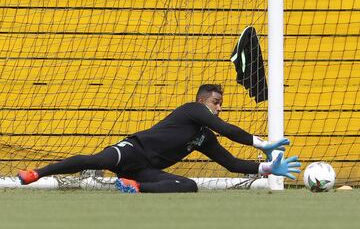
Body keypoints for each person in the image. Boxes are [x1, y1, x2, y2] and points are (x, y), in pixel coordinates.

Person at [18, 84, 300, 193]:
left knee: (188, 186)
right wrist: (262, 144)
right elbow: (227, 129)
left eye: (220, 104)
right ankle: (36, 173)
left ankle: (134, 186)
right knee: (95, 159)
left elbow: (232, 164)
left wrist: (268, 168)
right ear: (202, 101)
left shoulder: (204, 137)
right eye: (215, 102)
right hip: (132, 150)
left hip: (143, 170)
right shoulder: (193, 111)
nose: (218, 107)